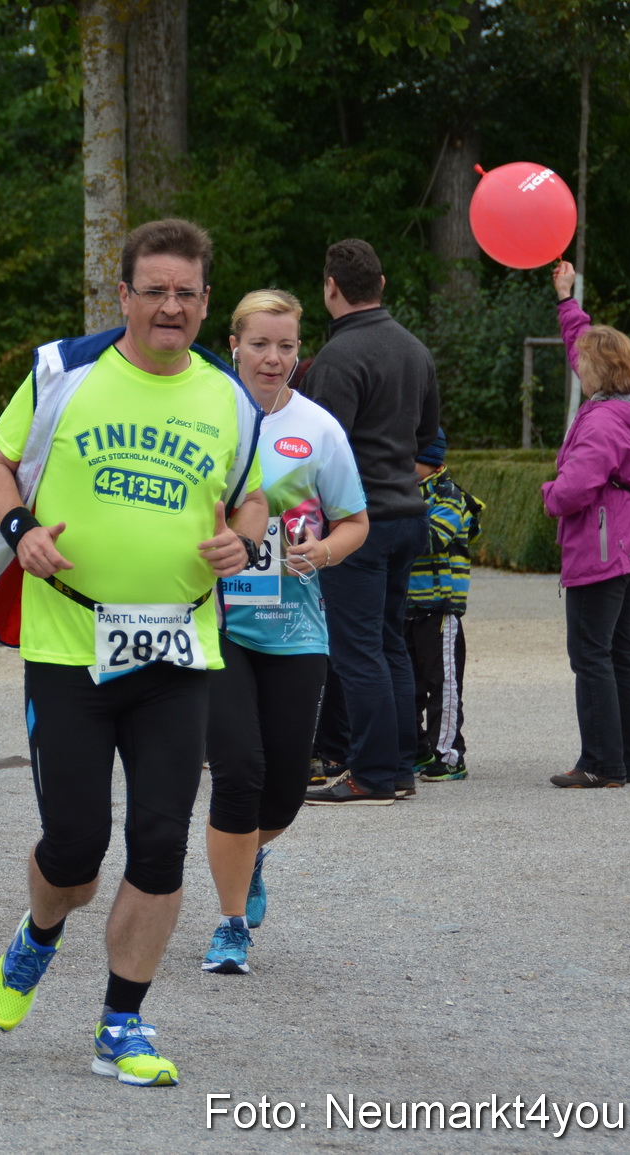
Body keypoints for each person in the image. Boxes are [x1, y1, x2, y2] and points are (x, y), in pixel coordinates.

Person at [0, 219, 266, 1087]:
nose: (171, 306)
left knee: (158, 842)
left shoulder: (230, 397)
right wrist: (19, 528)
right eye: (156, 290)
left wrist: (240, 544)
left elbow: (250, 502)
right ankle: (40, 931)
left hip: (179, 648)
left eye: (187, 293)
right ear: (126, 296)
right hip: (69, 642)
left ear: (206, 303)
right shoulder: (64, 371)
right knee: (73, 845)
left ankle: (122, 1022)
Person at [201, 289, 368, 977]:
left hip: (296, 628)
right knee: (238, 773)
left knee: (284, 794)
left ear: (300, 354)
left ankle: (253, 850)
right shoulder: (204, 416)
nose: (273, 357)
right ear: (234, 343)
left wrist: (323, 551)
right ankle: (231, 922)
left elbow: (355, 520)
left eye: (286, 346)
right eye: (260, 344)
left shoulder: (319, 429)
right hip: (218, 624)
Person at [299, 239, 440, 806]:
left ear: (330, 287)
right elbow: (428, 438)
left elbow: (317, 448)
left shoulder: (338, 358)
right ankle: (397, 764)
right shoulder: (414, 349)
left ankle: (376, 774)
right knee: (389, 644)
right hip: (408, 514)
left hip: (360, 521)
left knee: (357, 649)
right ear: (381, 285)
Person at [542, 260, 630, 788]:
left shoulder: (601, 419)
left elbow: (574, 490)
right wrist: (566, 300)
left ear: (602, 373)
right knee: (623, 650)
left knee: (591, 654)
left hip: (601, 551)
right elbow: (583, 342)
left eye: (585, 365)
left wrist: (548, 493)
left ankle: (601, 763)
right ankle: (627, 761)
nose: (579, 368)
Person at [407, 430, 483, 784]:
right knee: (407, 685)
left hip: (440, 608)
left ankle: (450, 754)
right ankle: (417, 749)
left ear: (432, 461)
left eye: (411, 458)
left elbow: (432, 537)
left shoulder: (451, 496)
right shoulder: (404, 494)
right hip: (405, 606)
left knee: (443, 684)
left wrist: (391, 522)